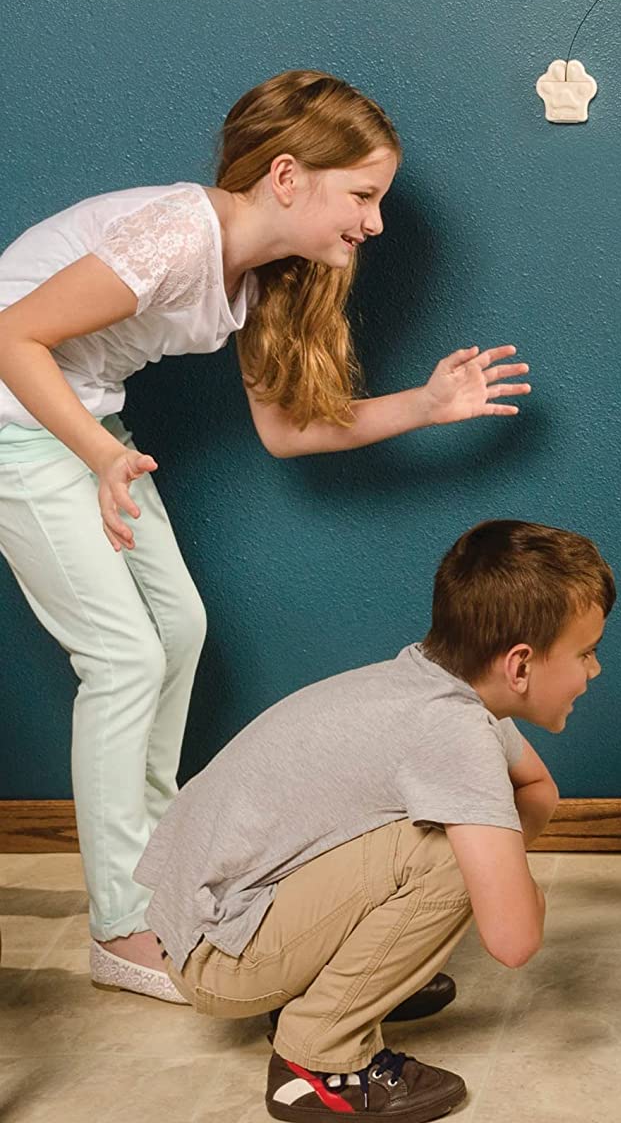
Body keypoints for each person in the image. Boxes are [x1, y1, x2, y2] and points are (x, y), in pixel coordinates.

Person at [0, 70, 531, 1002]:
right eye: (362, 196)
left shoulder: (254, 274)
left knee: (179, 633)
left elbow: (288, 432)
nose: (373, 224)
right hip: (19, 420)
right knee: (123, 659)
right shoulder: (180, 233)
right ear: (287, 176)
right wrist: (97, 452)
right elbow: (10, 336)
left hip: (79, 426)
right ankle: (124, 925)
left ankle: (167, 885)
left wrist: (428, 404)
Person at [133, 518, 614, 1121]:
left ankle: (342, 985)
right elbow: (515, 941)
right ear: (519, 666)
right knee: (450, 856)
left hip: (216, 917)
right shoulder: (453, 733)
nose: (594, 671)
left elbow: (537, 789)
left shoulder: (434, 680)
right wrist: (514, 890)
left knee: (467, 845)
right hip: (218, 957)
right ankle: (318, 1056)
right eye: (586, 653)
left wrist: (502, 876)